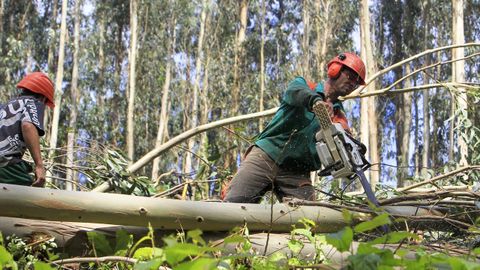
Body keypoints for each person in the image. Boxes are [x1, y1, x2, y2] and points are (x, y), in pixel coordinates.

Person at [224, 52, 366, 203]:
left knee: (308, 220)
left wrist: (353, 152)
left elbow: (345, 139)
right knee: (233, 206)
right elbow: (296, 92)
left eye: (356, 82)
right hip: (266, 156)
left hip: (297, 173)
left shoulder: (339, 116)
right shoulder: (304, 86)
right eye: (351, 76)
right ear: (335, 69)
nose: (352, 84)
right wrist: (315, 101)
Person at [0, 72, 55, 187]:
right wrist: (39, 166)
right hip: (6, 165)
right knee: (33, 197)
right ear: (43, 98)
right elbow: (28, 126)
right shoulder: (32, 102)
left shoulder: (4, 107)